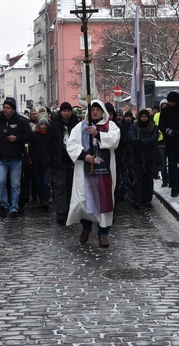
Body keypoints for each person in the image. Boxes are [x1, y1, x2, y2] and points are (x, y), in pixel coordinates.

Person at [66, 100, 120, 248]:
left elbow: (115, 140)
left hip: (104, 171)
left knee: (104, 201)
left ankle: (103, 234)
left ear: (103, 111)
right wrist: (84, 156)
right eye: (92, 109)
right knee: (83, 200)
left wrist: (97, 134)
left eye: (98, 109)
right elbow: (71, 144)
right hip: (85, 171)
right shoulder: (80, 127)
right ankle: (86, 226)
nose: (95, 112)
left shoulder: (111, 126)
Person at [0, 97, 32, 218]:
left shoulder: (21, 121)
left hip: (16, 158)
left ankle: (14, 207)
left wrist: (17, 138)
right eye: (4, 108)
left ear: (13, 109)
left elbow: (29, 135)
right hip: (1, 158)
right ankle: (4, 204)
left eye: (8, 108)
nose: (5, 110)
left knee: (15, 184)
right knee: (1, 181)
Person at [48, 102, 78, 225]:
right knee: (60, 187)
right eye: (64, 111)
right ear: (61, 112)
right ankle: (61, 212)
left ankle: (71, 210)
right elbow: (49, 143)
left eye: (68, 111)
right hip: (59, 161)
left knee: (72, 187)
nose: (66, 113)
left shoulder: (76, 125)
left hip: (73, 161)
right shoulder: (54, 125)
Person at [128, 109, 160, 209]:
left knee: (148, 179)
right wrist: (136, 142)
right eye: (142, 117)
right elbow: (131, 136)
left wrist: (144, 142)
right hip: (137, 155)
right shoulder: (134, 127)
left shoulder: (153, 127)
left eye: (145, 117)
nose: (143, 119)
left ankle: (147, 199)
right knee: (138, 178)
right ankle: (138, 199)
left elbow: (155, 137)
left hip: (149, 155)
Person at [104, 102, 130, 202]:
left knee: (115, 182)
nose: (108, 116)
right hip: (103, 160)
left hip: (117, 159)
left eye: (110, 114)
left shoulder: (119, 126)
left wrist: (126, 158)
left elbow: (125, 143)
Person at [31, 115, 51, 211]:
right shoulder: (34, 136)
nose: (43, 126)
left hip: (46, 163)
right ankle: (40, 199)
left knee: (46, 182)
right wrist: (34, 160)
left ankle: (45, 200)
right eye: (42, 124)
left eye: (45, 124)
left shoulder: (49, 136)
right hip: (37, 163)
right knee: (38, 183)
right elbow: (32, 150)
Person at [154, 99, 169, 187]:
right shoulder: (157, 115)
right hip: (160, 141)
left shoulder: (171, 115)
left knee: (171, 162)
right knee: (163, 163)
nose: (164, 108)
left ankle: (170, 179)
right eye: (162, 106)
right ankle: (165, 180)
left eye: (165, 106)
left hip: (169, 141)